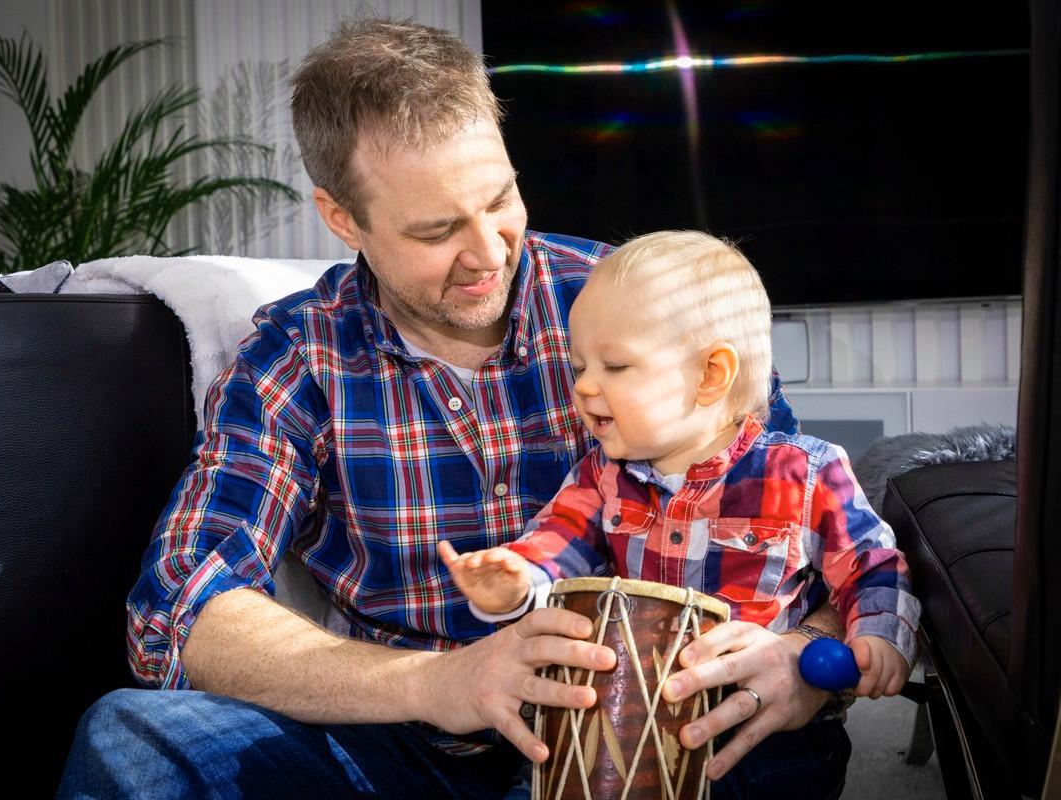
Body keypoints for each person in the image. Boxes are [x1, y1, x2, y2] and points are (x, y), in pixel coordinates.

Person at [58, 18, 855, 800]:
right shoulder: (299, 354)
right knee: (130, 739)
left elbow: (816, 531)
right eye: (437, 230)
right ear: (341, 217)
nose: (488, 253)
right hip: (412, 736)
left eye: (500, 199)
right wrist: (440, 682)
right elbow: (186, 607)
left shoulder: (639, 301)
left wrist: (804, 659)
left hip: (652, 719)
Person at [439, 231, 921, 713]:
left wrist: (880, 634)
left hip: (765, 715)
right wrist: (517, 578)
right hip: (643, 710)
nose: (584, 386)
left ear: (710, 375)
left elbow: (870, 563)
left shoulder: (804, 472)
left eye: (616, 365)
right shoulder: (602, 477)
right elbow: (556, 542)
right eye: (580, 365)